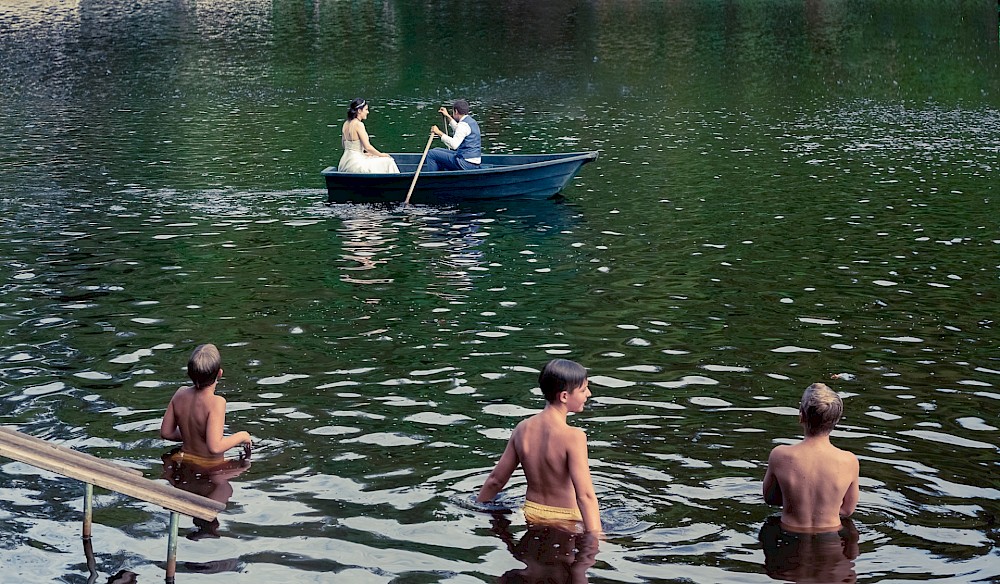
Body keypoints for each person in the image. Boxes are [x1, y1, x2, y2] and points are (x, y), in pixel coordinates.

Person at [477, 359, 602, 535]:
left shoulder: (522, 428)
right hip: (566, 519)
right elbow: (586, 496)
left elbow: (496, 480)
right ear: (564, 396)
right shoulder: (574, 436)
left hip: (531, 513)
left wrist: (478, 506)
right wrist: (597, 537)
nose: (588, 394)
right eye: (583, 390)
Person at [762, 382, 860, 531]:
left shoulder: (780, 455)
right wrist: (825, 509)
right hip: (831, 538)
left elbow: (770, 499)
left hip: (789, 533)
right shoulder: (849, 461)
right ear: (836, 421)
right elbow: (847, 511)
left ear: (801, 416)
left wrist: (796, 503)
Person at [160, 343, 252, 462]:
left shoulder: (180, 393)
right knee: (245, 465)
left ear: (189, 374)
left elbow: (166, 433)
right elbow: (215, 447)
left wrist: (192, 437)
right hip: (208, 464)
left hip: (184, 458)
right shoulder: (216, 402)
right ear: (220, 373)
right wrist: (242, 436)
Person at [337, 98, 400, 174]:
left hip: (345, 162)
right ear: (359, 111)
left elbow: (344, 145)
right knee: (389, 161)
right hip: (356, 164)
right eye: (366, 109)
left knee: (372, 156)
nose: (368, 112)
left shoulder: (346, 124)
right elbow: (368, 147)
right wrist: (381, 154)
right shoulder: (359, 124)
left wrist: (363, 154)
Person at [423, 99, 482, 171]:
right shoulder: (471, 121)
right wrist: (447, 116)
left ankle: (434, 179)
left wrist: (438, 132)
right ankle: (442, 174)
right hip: (472, 161)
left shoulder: (463, 125)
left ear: (456, 111)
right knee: (436, 150)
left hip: (466, 163)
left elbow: (454, 145)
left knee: (431, 154)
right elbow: (459, 129)